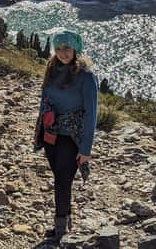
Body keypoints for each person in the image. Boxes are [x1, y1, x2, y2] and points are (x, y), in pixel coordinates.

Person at [32, 30, 98, 242]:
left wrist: (86, 150)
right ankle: (65, 221)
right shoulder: (51, 68)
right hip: (52, 134)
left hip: (72, 136)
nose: (62, 53)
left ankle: (60, 229)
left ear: (75, 49)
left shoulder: (86, 76)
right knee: (60, 179)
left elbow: (91, 114)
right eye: (58, 48)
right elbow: (45, 96)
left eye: (67, 48)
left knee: (62, 180)